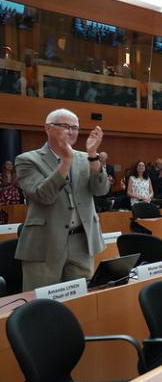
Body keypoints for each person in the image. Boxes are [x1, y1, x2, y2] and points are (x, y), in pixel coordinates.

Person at [14, 108, 109, 291]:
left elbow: (101, 190)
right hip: (45, 244)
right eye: (66, 126)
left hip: (81, 242)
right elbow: (44, 196)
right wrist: (66, 161)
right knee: (43, 304)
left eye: (75, 128)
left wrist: (93, 155)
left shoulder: (85, 158)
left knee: (80, 301)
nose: (71, 132)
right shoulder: (27, 160)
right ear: (48, 128)